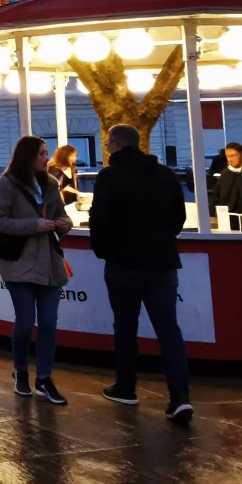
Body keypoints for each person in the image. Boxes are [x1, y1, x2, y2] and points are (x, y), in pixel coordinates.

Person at [89, 124, 192, 424]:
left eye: (108, 143)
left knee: (125, 326)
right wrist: (163, 240)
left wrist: (104, 251)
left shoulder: (109, 176)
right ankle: (180, 397)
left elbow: (100, 219)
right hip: (162, 262)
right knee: (169, 329)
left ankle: (126, 387)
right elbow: (179, 215)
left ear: (116, 145)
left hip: (124, 262)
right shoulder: (164, 174)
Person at [0, 135, 72, 405]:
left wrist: (63, 224)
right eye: (42, 153)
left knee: (48, 324)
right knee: (25, 322)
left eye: (47, 153)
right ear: (28, 156)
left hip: (50, 264)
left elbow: (63, 215)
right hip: (19, 263)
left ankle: (44, 378)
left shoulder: (50, 184)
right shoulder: (7, 185)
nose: (47, 158)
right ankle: (21, 371)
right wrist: (33, 225)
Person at [210, 141, 242, 215]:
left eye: (232, 156)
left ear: (240, 154)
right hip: (227, 217)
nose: (230, 159)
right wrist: (214, 214)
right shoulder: (224, 175)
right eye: (227, 156)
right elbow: (215, 197)